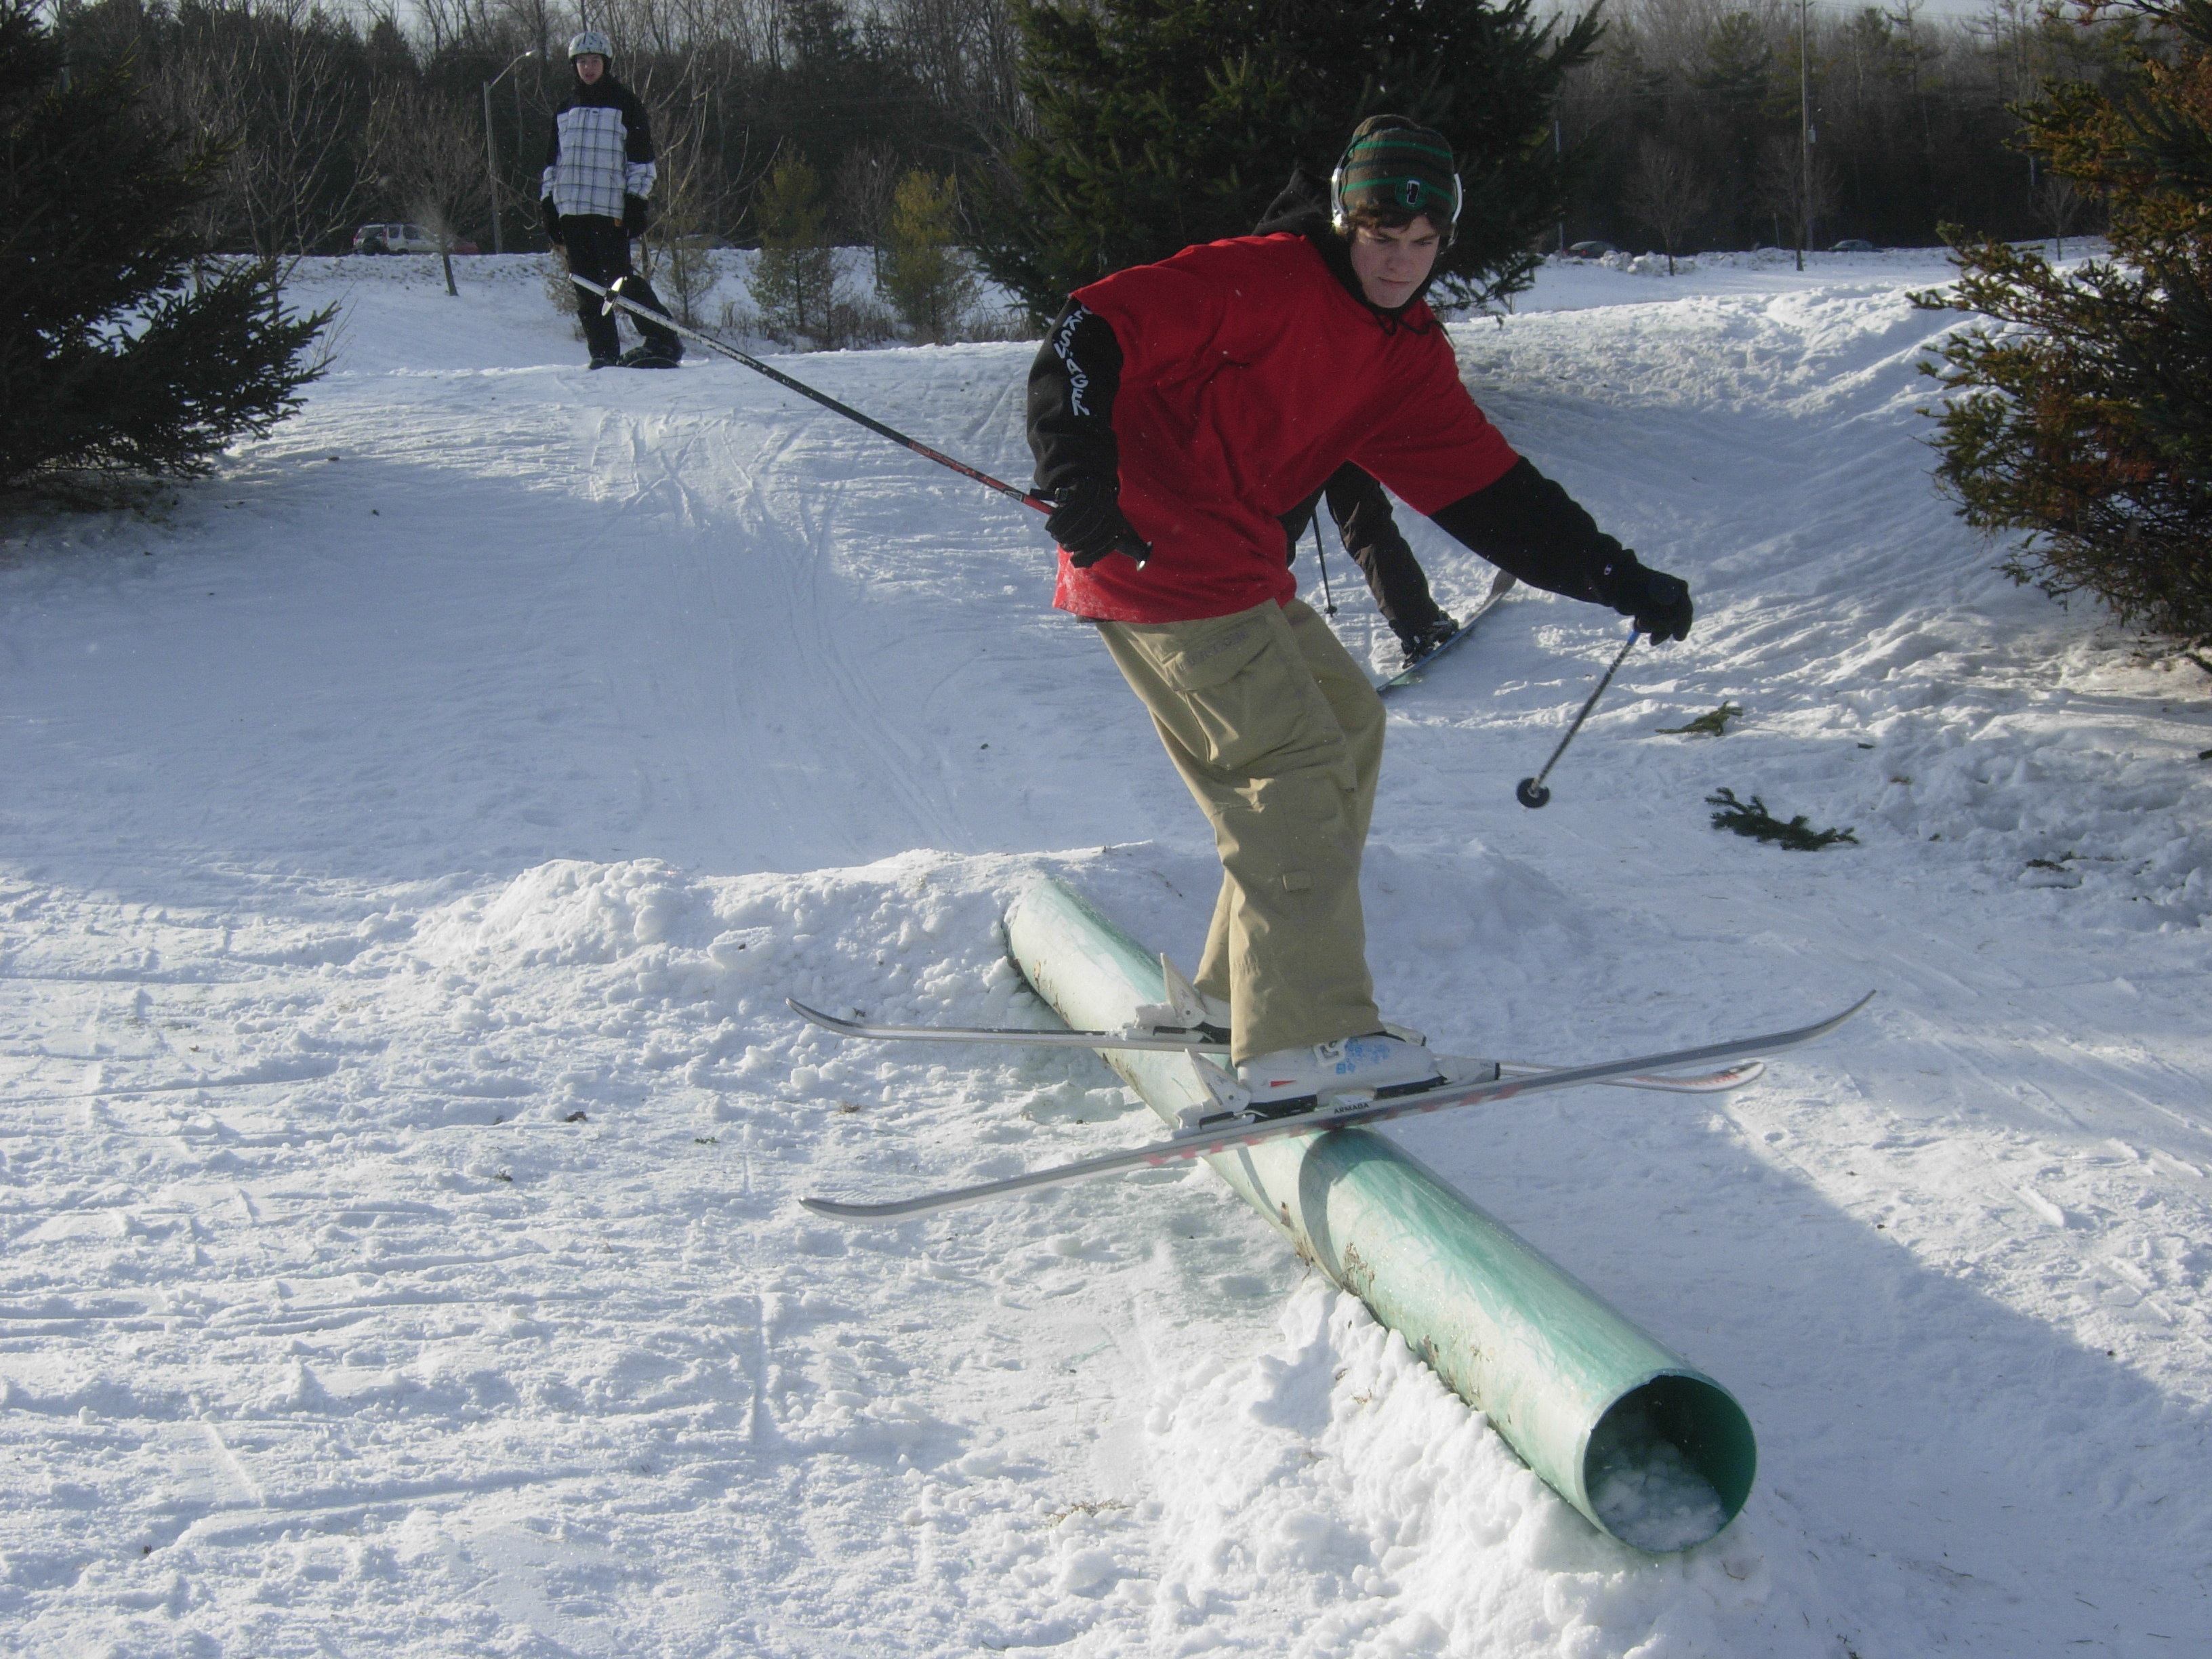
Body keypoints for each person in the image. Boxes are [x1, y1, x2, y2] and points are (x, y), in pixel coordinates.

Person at [1025, 115, 1694, 1111]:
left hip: (1236, 570)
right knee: (1290, 772)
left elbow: (1492, 491)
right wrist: (1077, 467)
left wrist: (1614, 574)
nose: (1401, 263)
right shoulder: (1260, 279)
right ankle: (1306, 1038)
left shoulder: (1404, 353)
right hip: (1156, 554)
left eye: (1424, 246)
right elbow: (1089, 328)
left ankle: (1233, 1002)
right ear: (1345, 221)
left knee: (1346, 723)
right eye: (1382, 239)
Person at [1260, 174, 1465, 665]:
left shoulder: (1301, 247)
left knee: (1329, 522)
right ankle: (1252, 640)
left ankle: (1419, 623)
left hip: (1337, 420)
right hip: (1318, 425)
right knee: (1324, 524)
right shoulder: (1301, 258)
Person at [539, 30, 684, 370]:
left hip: (610, 210)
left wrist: (636, 201)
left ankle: (662, 338)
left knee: (619, 280)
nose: (588, 68)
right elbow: (551, 164)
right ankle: (603, 353)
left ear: (606, 64)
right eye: (581, 62)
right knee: (586, 284)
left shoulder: (625, 104)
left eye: (594, 61)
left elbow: (642, 162)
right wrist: (549, 205)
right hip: (572, 210)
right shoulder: (565, 110)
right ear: (574, 66)